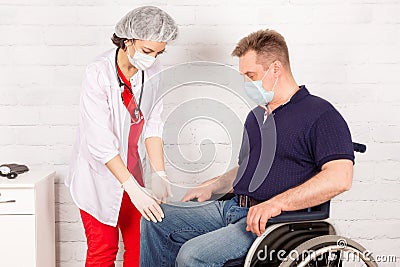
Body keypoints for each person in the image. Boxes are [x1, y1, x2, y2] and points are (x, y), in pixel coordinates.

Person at [140, 29, 355, 266]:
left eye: (251, 75)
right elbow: (245, 169)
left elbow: (340, 178)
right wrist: (214, 186)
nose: (246, 83)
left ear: (275, 68)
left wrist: (276, 204)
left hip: (272, 223)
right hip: (232, 208)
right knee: (155, 220)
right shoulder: (255, 116)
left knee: (192, 255)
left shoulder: (320, 114)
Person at [65, 6, 178, 266]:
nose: (153, 58)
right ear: (128, 40)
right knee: (103, 249)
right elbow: (99, 142)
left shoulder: (154, 72)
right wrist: (130, 188)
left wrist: (159, 174)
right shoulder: (98, 73)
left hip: (133, 170)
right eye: (148, 51)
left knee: (141, 249)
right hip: (98, 176)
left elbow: (153, 125)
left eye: (159, 52)